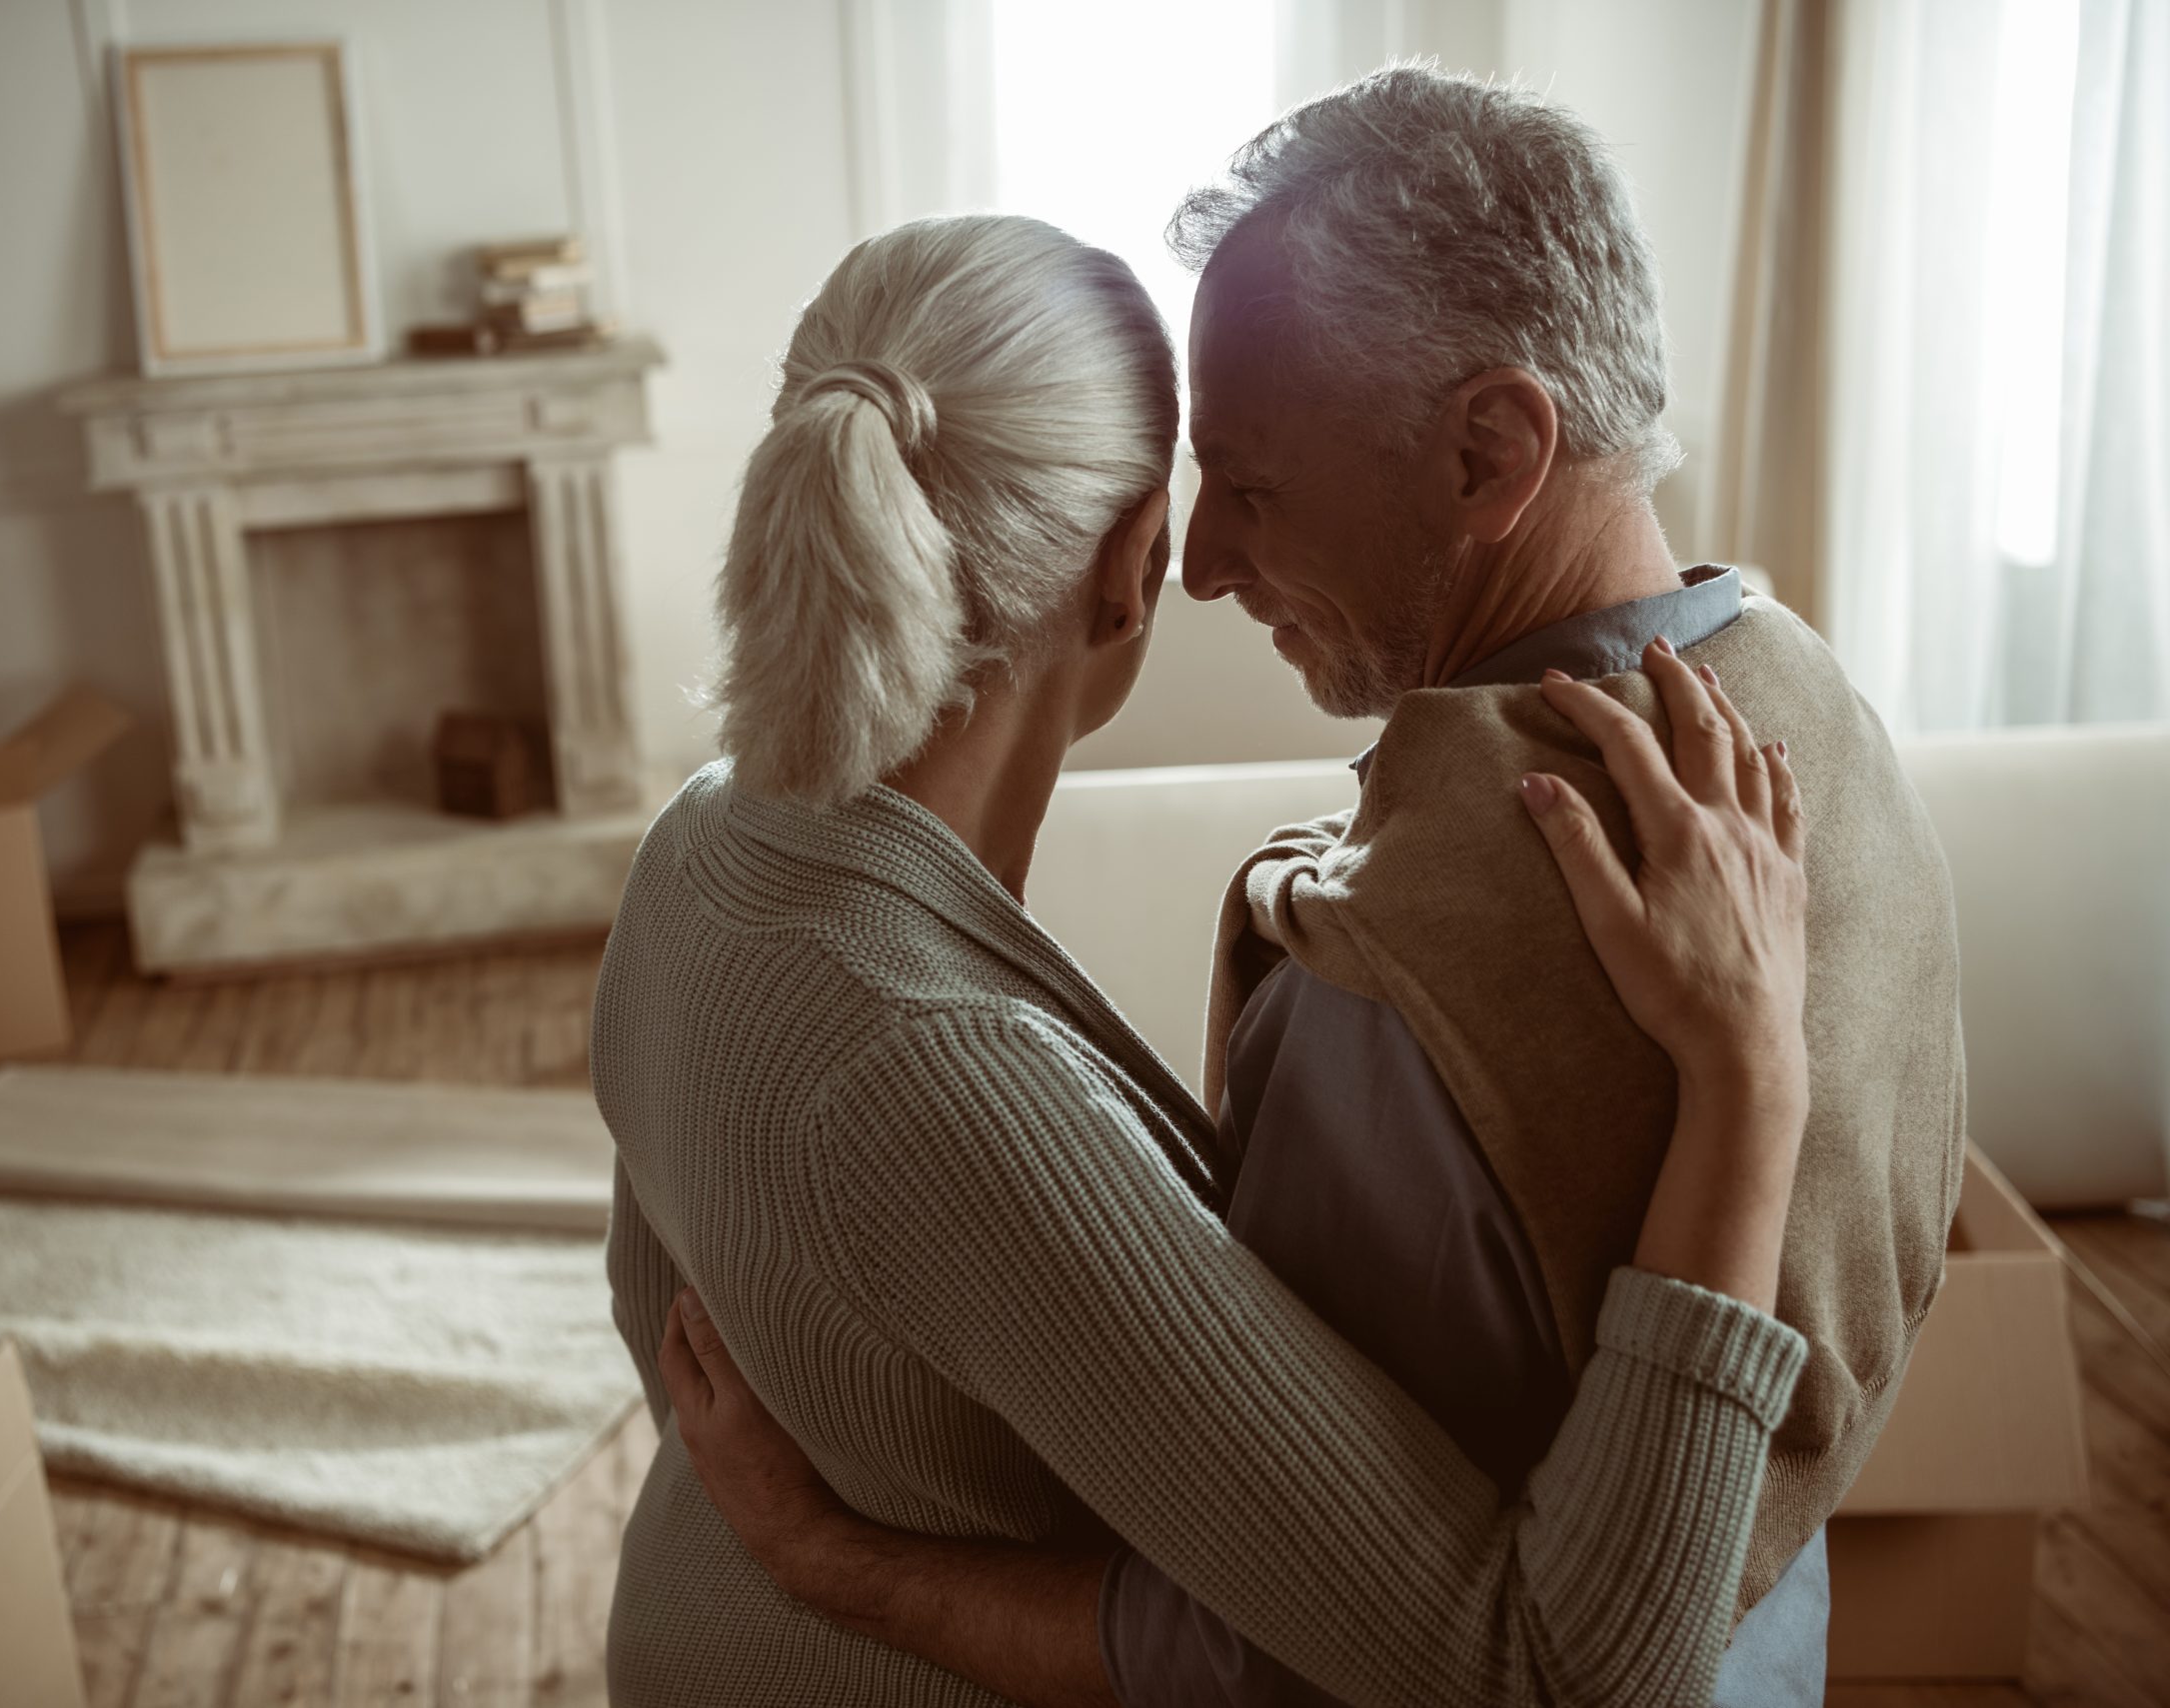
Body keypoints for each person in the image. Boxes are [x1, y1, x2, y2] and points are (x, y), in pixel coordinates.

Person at [653, 67, 1968, 1708]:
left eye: (1254, 482)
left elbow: (1305, 1647)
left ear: (1492, 449)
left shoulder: (1397, 989)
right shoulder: (1824, 719)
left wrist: (844, 1567)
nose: (1204, 560)